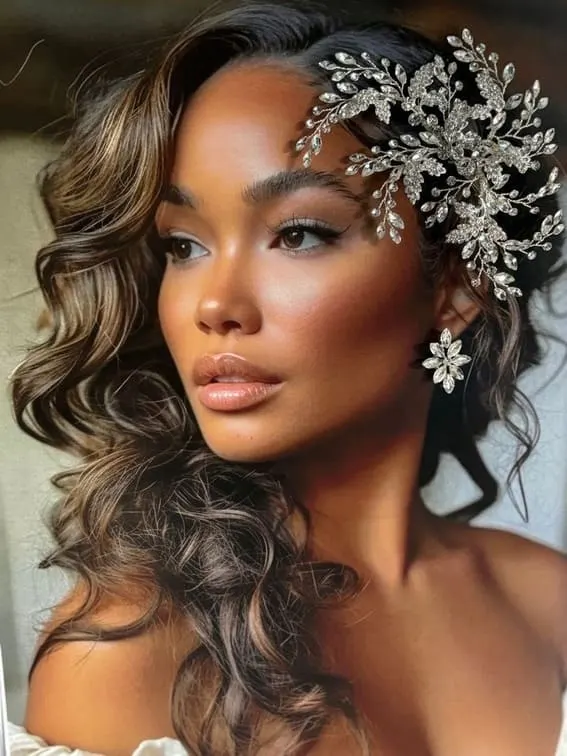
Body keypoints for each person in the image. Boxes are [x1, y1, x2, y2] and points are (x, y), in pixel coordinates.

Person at [6, 3, 567, 754]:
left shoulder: (548, 604)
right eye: (182, 245)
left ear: (454, 289)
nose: (215, 306)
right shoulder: (125, 655)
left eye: (298, 233)